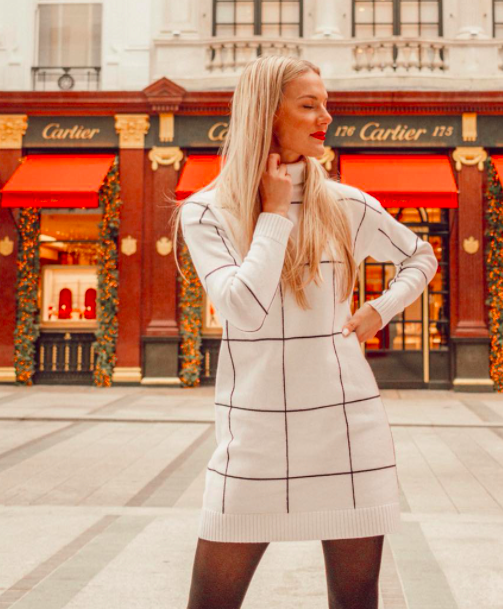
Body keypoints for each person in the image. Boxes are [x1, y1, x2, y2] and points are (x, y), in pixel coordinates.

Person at [174, 55, 438, 609]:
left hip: (347, 428)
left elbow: (420, 255)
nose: (327, 116)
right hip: (254, 436)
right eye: (309, 104)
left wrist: (378, 311)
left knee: (355, 598)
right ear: (267, 113)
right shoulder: (209, 212)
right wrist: (274, 213)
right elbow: (242, 308)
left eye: (326, 103)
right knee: (210, 601)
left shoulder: (345, 203)